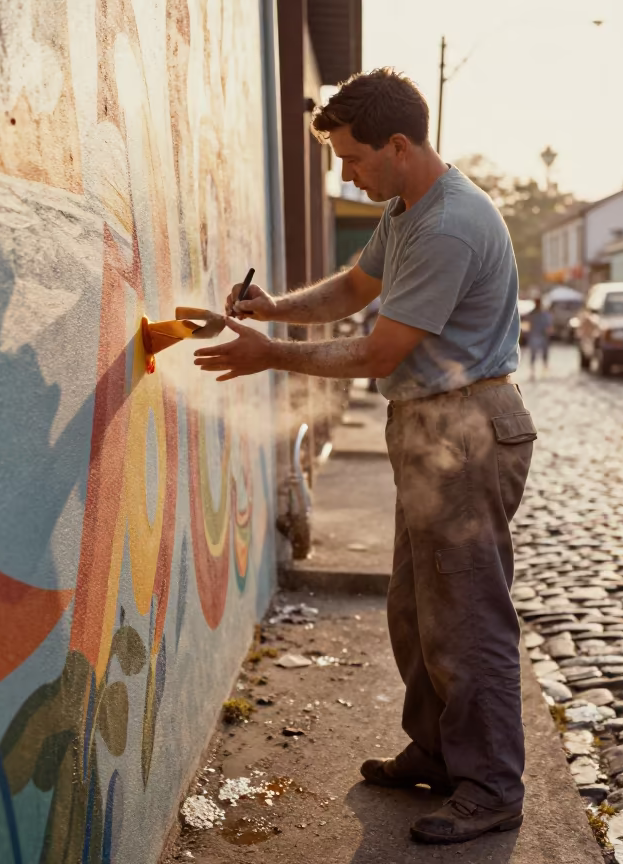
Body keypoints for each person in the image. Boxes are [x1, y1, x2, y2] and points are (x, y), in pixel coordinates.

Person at [193, 68, 534, 845]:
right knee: (417, 608)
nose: (347, 173)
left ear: (400, 143)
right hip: (431, 430)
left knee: (469, 617)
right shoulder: (407, 209)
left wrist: (270, 354)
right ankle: (441, 753)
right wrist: (275, 307)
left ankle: (491, 787)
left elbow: (380, 350)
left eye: (353, 158)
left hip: (467, 430)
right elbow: (354, 287)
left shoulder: (450, 222)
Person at [527, 298, 553, 378]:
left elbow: (549, 325)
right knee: (533, 354)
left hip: (542, 336)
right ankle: (533, 370)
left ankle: (544, 368)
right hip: (535, 335)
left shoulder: (544, 313)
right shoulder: (532, 313)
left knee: (544, 354)